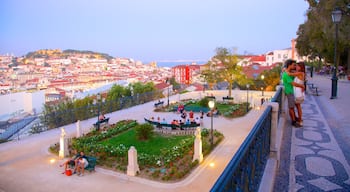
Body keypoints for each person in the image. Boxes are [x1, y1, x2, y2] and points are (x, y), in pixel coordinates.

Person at [282, 59, 304, 128]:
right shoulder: (286, 74)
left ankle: (296, 118)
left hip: (293, 92)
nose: (295, 66)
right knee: (291, 107)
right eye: (294, 65)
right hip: (290, 92)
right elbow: (293, 83)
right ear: (289, 65)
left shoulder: (290, 72)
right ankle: (293, 121)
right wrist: (302, 86)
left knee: (294, 107)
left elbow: (296, 75)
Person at [288, 62, 306, 126]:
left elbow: (290, 74)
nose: (296, 67)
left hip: (298, 92)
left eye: (297, 66)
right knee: (298, 106)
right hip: (297, 91)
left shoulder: (300, 73)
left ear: (301, 67)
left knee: (298, 107)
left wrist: (286, 70)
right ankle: (299, 119)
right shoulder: (300, 73)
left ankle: (300, 120)